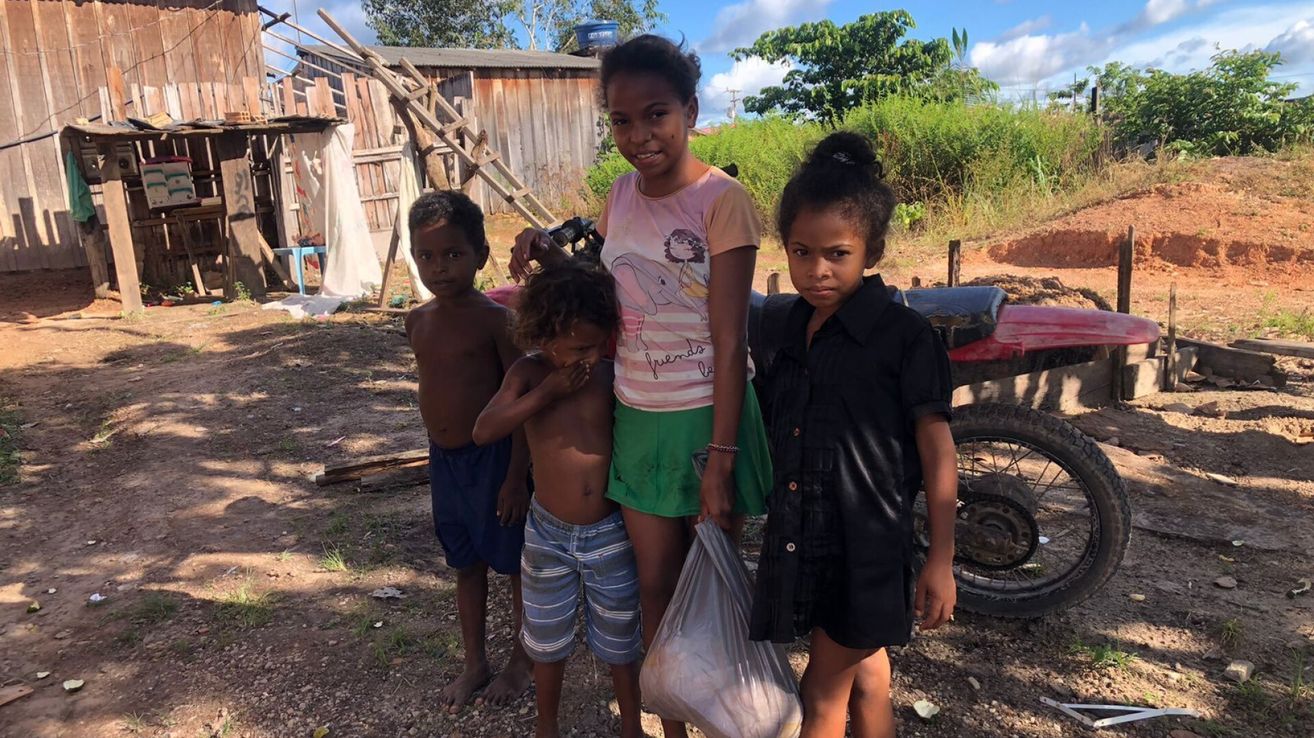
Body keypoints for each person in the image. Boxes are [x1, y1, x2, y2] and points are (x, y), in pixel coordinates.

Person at [509, 34, 772, 738]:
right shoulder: (618, 196)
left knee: (713, 578)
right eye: (622, 121)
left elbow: (730, 338)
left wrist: (720, 457)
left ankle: (728, 713)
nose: (639, 136)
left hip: (708, 415)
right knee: (656, 583)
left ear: (689, 109)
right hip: (639, 413)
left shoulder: (724, 200)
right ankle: (675, 721)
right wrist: (544, 244)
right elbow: (612, 288)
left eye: (656, 114)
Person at [748, 132, 959, 738]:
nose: (816, 271)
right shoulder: (787, 327)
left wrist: (941, 559)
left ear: (872, 250)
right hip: (802, 533)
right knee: (867, 675)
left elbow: (937, 449)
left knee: (821, 690)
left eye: (837, 254)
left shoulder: (903, 337)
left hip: (864, 547)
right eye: (801, 251)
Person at [473, 261, 642, 738]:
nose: (589, 356)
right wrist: (544, 394)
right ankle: (546, 727)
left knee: (620, 640)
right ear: (546, 339)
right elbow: (484, 430)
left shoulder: (609, 375)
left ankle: (631, 725)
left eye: (596, 345)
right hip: (548, 535)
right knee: (546, 642)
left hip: (610, 530)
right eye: (579, 348)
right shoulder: (529, 375)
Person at [404, 190, 533, 711]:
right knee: (466, 564)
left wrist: (516, 477)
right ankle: (474, 661)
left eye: (453, 254)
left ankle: (523, 659)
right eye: (426, 257)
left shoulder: (495, 321)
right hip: (446, 463)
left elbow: (519, 396)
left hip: (496, 462)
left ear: (480, 254)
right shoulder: (417, 321)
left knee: (514, 564)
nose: (439, 268)